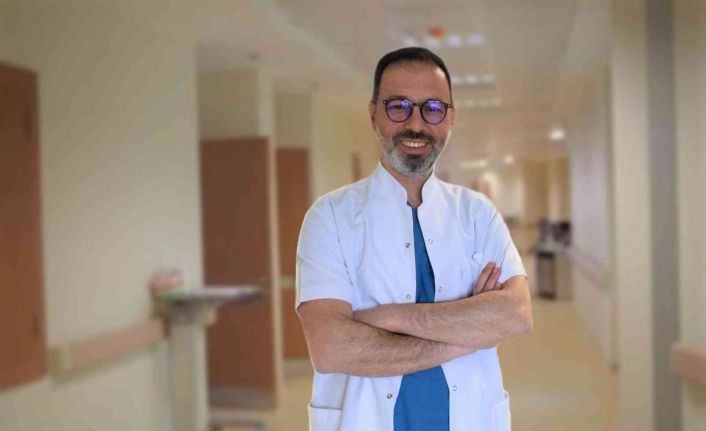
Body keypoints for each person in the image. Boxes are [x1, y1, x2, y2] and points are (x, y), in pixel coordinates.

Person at [296, 47, 533, 431]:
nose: (416, 124)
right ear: (373, 114)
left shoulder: (477, 213)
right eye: (398, 107)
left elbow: (516, 314)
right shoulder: (330, 217)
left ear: (450, 117)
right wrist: (470, 333)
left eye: (433, 108)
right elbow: (331, 348)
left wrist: (388, 318)